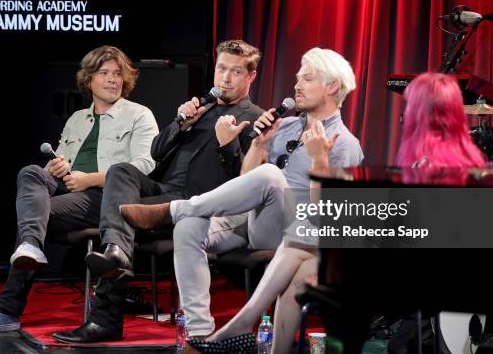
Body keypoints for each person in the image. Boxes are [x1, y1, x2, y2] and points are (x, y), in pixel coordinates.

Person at [191, 73, 487, 354]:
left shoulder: (435, 165)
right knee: (298, 270)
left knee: (300, 239)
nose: (405, 112)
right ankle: (261, 341)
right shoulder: (459, 158)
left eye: (411, 106)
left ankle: (240, 327)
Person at [122, 47, 364, 351]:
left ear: (331, 87)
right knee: (189, 227)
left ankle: (173, 209)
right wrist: (258, 147)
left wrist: (319, 162)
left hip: (295, 232)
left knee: (272, 177)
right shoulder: (285, 126)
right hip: (255, 219)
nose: (297, 86)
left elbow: (328, 220)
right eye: (297, 79)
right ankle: (199, 336)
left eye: (307, 79)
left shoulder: (345, 144)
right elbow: (246, 182)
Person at [52, 39, 265, 343]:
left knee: (122, 214)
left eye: (235, 72)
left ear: (250, 77)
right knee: (121, 170)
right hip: (163, 189)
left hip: (197, 202)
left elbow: (248, 181)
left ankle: (106, 316)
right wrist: (180, 123)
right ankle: (115, 253)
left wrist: (227, 143)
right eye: (221, 69)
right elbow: (156, 151)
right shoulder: (201, 108)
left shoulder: (254, 117)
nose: (225, 78)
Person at [0, 46, 158, 333]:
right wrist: (54, 170)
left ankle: (7, 310)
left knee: (32, 217)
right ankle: (30, 246)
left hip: (106, 199)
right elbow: (57, 166)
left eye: (118, 74)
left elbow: (144, 166)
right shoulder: (77, 119)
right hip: (69, 191)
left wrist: (89, 179)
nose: (112, 80)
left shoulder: (139, 115)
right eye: (104, 73)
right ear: (89, 79)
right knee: (32, 173)